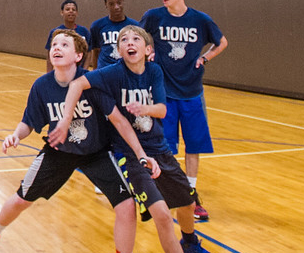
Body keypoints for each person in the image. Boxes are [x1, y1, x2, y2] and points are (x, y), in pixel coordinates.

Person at [0, 30, 160, 253]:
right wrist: (16, 135)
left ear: (78, 56)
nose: (56, 48)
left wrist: (140, 153)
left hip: (96, 152)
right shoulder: (42, 86)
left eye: (64, 45)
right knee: (21, 199)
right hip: (59, 152)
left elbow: (119, 121)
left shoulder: (91, 83)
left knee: (127, 206)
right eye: (54, 44)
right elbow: (29, 121)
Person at [50, 25, 208, 253]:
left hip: (160, 150)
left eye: (136, 39)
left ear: (148, 49)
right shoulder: (113, 72)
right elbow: (76, 84)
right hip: (131, 156)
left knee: (188, 203)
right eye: (124, 40)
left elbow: (162, 110)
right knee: (162, 215)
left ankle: (190, 242)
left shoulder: (154, 72)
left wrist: (144, 108)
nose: (130, 43)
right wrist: (65, 120)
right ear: (119, 50)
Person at [140, 0, 227, 222]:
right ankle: (160, 192)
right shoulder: (154, 16)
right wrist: (150, 50)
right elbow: (138, 35)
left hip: (192, 93)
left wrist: (205, 58)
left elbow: (222, 42)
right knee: (163, 146)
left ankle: (191, 192)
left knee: (193, 145)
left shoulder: (200, 19)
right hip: (164, 93)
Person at [89, 0, 140, 70]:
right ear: (106, 4)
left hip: (127, 72)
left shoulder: (135, 26)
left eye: (119, 3)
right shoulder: (97, 26)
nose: (116, 7)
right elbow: (95, 52)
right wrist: (95, 74)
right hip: (105, 72)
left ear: (123, 2)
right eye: (111, 4)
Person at [44, 0, 90, 72]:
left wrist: (84, 71)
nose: (71, 11)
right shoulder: (56, 32)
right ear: (62, 12)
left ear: (77, 13)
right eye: (67, 9)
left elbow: (88, 53)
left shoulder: (84, 31)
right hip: (61, 72)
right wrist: (48, 75)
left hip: (79, 72)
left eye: (73, 9)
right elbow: (50, 56)